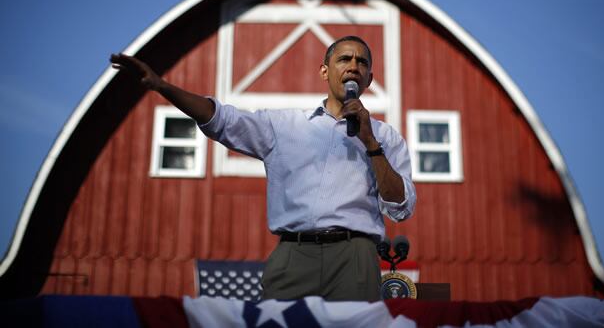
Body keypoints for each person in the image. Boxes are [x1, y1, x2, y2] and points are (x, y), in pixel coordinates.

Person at [110, 35, 416, 301]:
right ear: (324, 70)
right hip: (294, 254)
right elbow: (221, 120)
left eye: (361, 62)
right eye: (344, 59)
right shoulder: (284, 126)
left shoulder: (386, 137)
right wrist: (162, 86)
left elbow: (400, 207)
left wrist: (370, 142)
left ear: (369, 79)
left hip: (355, 257)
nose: (353, 66)